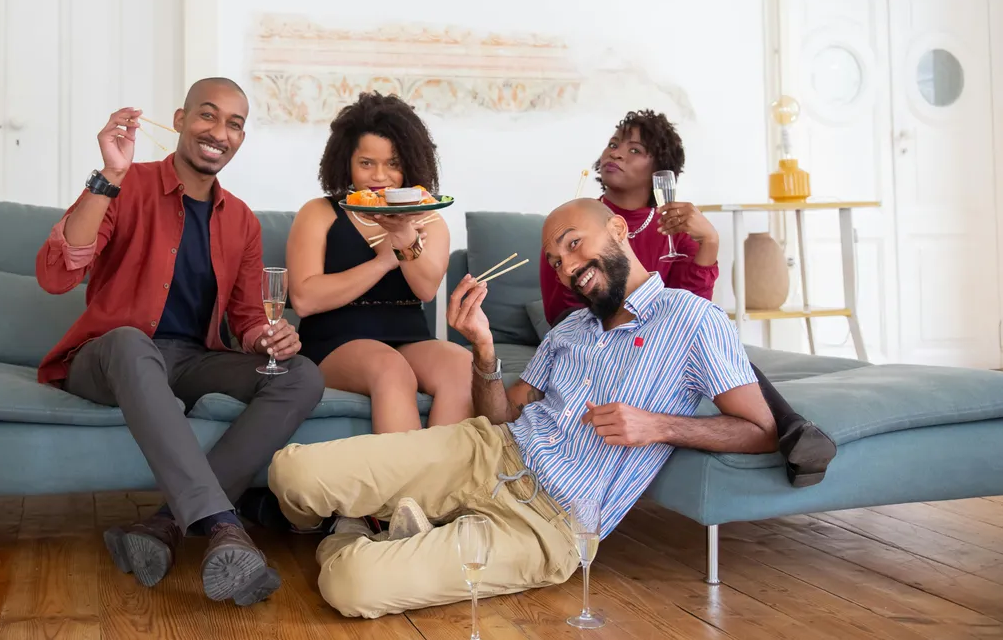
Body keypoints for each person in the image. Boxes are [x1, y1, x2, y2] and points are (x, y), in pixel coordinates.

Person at [267, 198, 776, 619]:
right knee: (292, 470)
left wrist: (657, 426)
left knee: (353, 586)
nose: (569, 268)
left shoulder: (695, 320)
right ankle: (384, 521)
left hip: (546, 526)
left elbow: (761, 430)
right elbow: (499, 417)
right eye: (556, 261)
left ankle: (352, 529)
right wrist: (484, 353)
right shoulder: (569, 329)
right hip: (486, 452)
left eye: (574, 245)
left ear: (618, 229)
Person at [35, 78, 325, 607]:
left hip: (191, 362)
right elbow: (57, 274)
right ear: (179, 118)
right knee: (128, 341)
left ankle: (167, 525)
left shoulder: (241, 220)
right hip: (110, 356)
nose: (219, 132)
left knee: (302, 374)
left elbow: (244, 319)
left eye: (234, 124)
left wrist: (270, 338)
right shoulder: (125, 185)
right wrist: (109, 176)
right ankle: (220, 524)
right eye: (207, 116)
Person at [541, 109, 836, 487]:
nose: (616, 153)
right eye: (614, 145)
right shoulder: (574, 225)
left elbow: (692, 312)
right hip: (586, 323)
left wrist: (708, 243)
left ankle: (791, 428)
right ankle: (791, 424)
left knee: (706, 339)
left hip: (661, 333)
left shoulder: (675, 231)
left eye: (635, 150)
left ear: (659, 170)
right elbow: (561, 307)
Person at [286, 92, 474, 433]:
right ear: (346, 162)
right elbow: (304, 299)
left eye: (394, 164)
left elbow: (426, 289)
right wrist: (383, 261)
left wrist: (404, 238)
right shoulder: (319, 213)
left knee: (463, 364)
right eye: (366, 163)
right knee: (390, 367)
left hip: (408, 337)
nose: (380, 176)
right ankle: (403, 484)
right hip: (334, 343)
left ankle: (443, 483)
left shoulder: (429, 219)